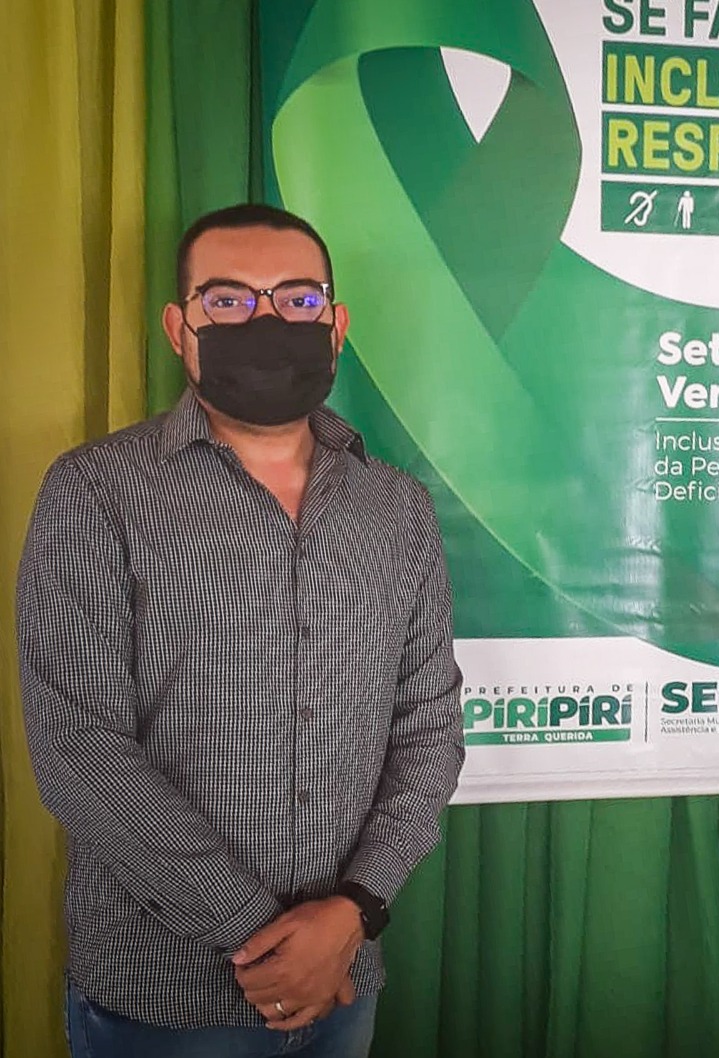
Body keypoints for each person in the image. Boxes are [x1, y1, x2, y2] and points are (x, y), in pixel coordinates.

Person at [17, 203, 465, 1057]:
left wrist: (354, 913)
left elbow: (429, 727)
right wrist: (271, 942)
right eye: (228, 301)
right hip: (161, 996)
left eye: (297, 300)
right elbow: (78, 747)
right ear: (178, 329)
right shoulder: (95, 492)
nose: (267, 322)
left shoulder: (398, 509)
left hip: (347, 979)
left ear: (335, 326)